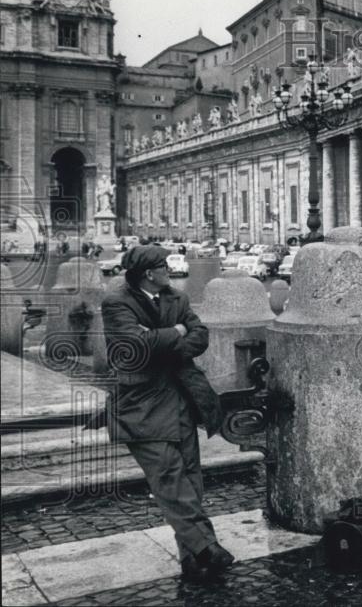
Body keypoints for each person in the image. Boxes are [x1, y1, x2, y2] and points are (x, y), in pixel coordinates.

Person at [99, 245, 231, 582]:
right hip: (141, 404)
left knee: (190, 477)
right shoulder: (117, 302)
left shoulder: (176, 297)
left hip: (181, 398)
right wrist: (176, 333)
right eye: (163, 265)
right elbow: (134, 347)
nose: (170, 268)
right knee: (169, 477)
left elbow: (199, 335)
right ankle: (207, 546)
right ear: (148, 273)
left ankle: (193, 558)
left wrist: (165, 340)